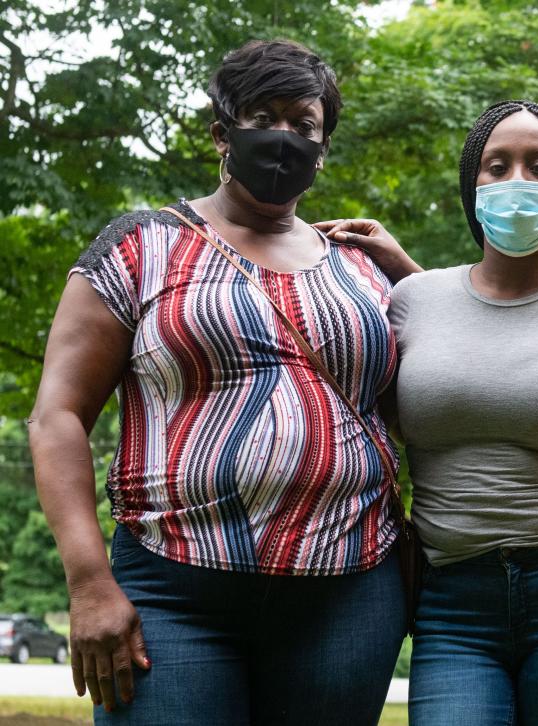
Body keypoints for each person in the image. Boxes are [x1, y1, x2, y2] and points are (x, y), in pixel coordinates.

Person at [28, 40, 405, 726]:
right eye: (265, 116)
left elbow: (433, 398)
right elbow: (57, 416)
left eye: (305, 124)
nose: (285, 138)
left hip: (349, 593)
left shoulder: (363, 269)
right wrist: (88, 584)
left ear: (324, 146)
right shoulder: (139, 247)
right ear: (221, 132)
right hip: (174, 590)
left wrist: (409, 274)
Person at [324, 100, 538, 726]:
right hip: (452, 598)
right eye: (497, 166)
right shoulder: (414, 298)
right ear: (474, 187)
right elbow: (442, 362)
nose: (517, 180)